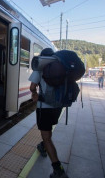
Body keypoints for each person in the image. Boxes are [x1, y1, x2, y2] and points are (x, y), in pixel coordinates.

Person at [29, 48, 69, 178]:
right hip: (57, 107)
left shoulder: (40, 68)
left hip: (44, 108)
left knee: (46, 137)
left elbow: (32, 87)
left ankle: (58, 170)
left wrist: (34, 93)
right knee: (47, 131)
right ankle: (43, 145)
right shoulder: (61, 67)